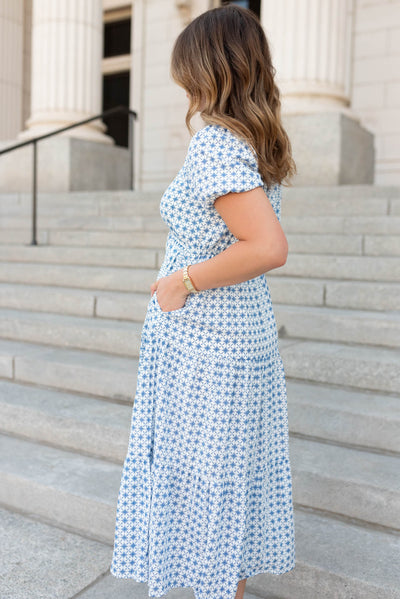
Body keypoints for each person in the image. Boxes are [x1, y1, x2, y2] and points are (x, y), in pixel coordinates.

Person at [110, 4, 297, 599]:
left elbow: (266, 246)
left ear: (210, 70)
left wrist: (180, 282)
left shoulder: (217, 144)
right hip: (233, 338)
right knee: (225, 483)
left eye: (187, 71)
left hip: (208, 346)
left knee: (204, 485)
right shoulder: (251, 142)